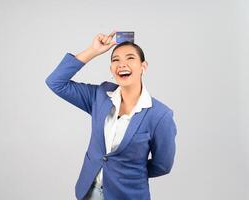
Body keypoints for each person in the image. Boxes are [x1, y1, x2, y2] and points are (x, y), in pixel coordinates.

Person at [45, 31, 177, 200]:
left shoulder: (160, 115)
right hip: (88, 192)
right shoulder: (100, 96)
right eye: (116, 60)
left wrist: (129, 172)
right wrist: (93, 50)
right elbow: (55, 82)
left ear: (143, 66)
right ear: (111, 69)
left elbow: (162, 165)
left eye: (130, 58)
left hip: (127, 195)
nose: (122, 64)